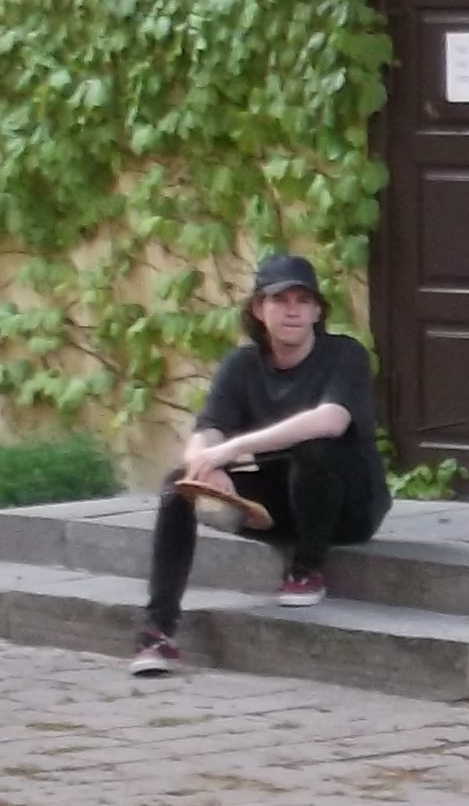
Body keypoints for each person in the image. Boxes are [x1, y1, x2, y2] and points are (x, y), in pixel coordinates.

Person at [131, 252, 388, 678]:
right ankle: (157, 632)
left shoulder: (345, 355)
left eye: (303, 301)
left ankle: (306, 569)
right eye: (279, 300)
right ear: (257, 309)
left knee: (314, 448)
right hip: (279, 504)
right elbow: (209, 429)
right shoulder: (242, 364)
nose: (292, 311)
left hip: (348, 508)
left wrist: (231, 451)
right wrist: (205, 466)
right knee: (178, 484)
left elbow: (331, 419)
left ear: (317, 311)